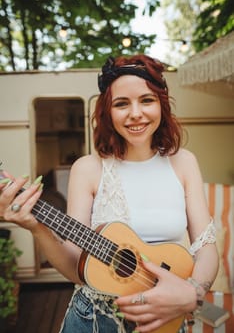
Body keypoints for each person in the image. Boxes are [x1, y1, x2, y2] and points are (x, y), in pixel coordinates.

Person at [0, 54, 219, 333]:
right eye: (121, 104)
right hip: (93, 320)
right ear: (107, 112)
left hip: (166, 318)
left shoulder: (184, 162)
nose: (136, 113)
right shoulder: (87, 169)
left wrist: (193, 293)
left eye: (147, 100)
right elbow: (74, 267)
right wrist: (37, 229)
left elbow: (206, 246)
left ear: (162, 105)